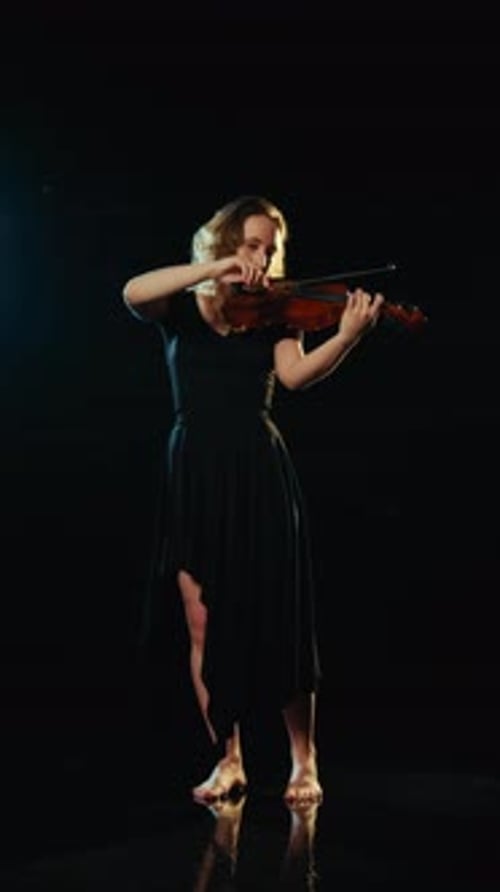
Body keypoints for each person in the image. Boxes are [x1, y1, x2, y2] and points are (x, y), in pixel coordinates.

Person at [123, 195, 384, 805]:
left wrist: (346, 336)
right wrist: (212, 272)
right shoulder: (180, 308)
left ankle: (304, 760)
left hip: (258, 467)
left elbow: (293, 377)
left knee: (281, 617)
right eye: (251, 245)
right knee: (202, 624)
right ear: (222, 244)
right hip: (194, 469)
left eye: (270, 248)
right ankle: (229, 760)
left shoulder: (275, 313)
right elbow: (132, 291)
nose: (262, 258)